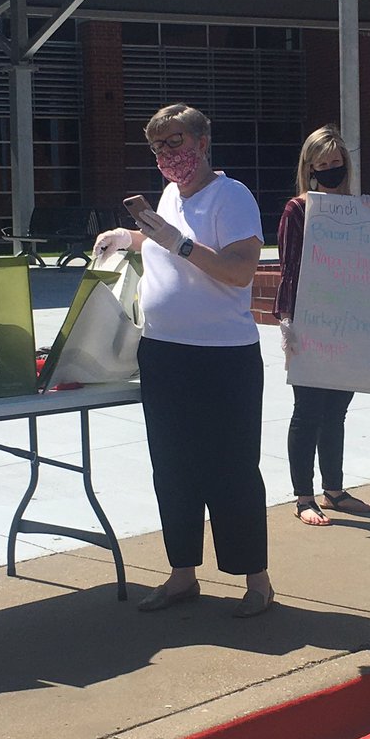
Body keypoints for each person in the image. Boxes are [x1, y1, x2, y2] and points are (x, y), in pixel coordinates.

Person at [93, 103, 274, 617]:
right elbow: (161, 239)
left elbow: (241, 272)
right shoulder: (171, 196)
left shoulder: (231, 196)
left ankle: (256, 581)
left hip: (222, 357)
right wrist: (128, 237)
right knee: (172, 466)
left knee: (231, 469)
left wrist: (180, 244)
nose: (168, 155)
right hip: (165, 354)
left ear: (202, 140)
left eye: (176, 142)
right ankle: (181, 574)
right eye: (157, 147)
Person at [273, 125, 370, 526]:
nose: (331, 169)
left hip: (347, 324)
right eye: (323, 164)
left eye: (336, 163)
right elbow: (289, 268)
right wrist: (286, 320)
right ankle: (304, 496)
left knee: (337, 410)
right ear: (310, 168)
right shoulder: (297, 210)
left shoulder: (359, 209)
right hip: (309, 322)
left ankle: (333, 489)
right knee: (308, 411)